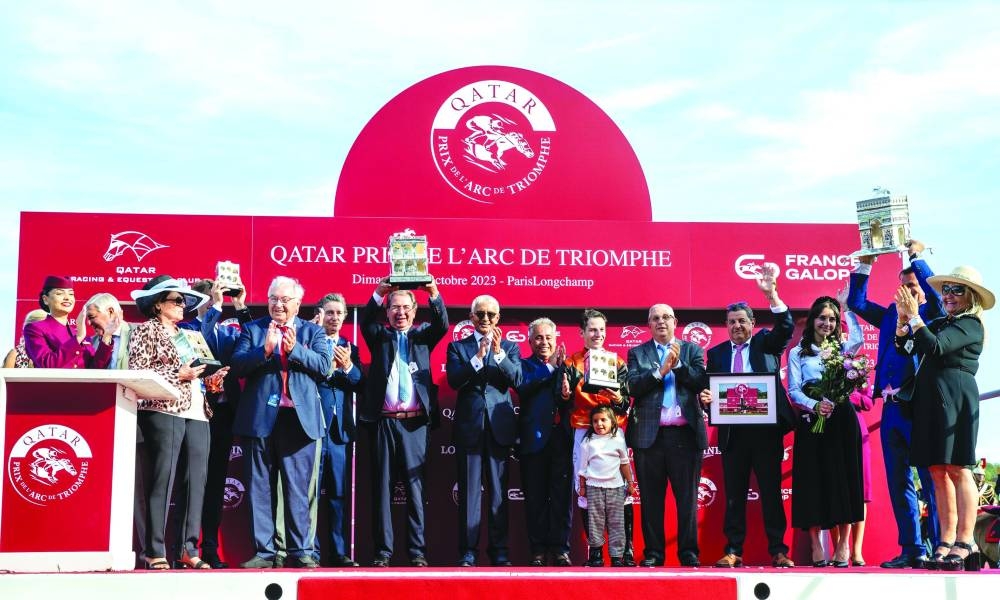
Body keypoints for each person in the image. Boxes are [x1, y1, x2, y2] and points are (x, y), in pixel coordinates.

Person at [847, 240, 941, 568]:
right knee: (898, 482)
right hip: (891, 409)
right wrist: (867, 263)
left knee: (930, 480)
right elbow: (856, 300)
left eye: (913, 287)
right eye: (903, 287)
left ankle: (939, 548)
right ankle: (912, 548)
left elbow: (939, 296)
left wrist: (916, 258)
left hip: (920, 407)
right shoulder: (889, 315)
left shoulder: (933, 312)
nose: (907, 293)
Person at [894, 265, 993, 571]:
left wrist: (915, 318)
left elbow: (936, 348)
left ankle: (966, 542)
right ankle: (945, 541)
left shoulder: (971, 325)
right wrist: (902, 324)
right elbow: (908, 346)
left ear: (971, 296)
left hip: (956, 399)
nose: (949, 295)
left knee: (958, 467)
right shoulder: (938, 322)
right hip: (929, 401)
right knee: (936, 470)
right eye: (946, 290)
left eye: (957, 290)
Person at [698, 264, 796, 568]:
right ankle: (733, 551)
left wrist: (772, 295)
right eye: (731, 322)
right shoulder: (715, 354)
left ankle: (779, 551)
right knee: (734, 496)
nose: (737, 326)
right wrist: (706, 400)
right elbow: (708, 392)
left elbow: (786, 328)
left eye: (742, 320)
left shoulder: (767, 343)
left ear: (752, 323)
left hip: (765, 431)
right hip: (733, 432)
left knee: (770, 493)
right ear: (726, 326)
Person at [231, 276, 331, 569]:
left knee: (299, 489)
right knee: (259, 488)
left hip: (299, 422)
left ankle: (302, 551)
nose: (278, 304)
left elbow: (324, 367)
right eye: (273, 298)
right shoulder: (253, 329)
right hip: (260, 419)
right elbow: (237, 365)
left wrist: (294, 350)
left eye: (285, 299)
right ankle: (264, 552)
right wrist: (264, 351)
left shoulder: (313, 332)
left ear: (297, 305)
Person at [128, 275, 226, 570]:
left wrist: (212, 381)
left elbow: (196, 374)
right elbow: (138, 373)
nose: (184, 305)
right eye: (177, 300)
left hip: (198, 411)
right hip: (162, 410)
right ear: (158, 304)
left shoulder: (190, 335)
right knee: (163, 480)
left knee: (196, 481)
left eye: (185, 301)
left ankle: (187, 547)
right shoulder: (145, 331)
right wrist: (177, 376)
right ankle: (154, 550)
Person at [360, 277, 447, 567]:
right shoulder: (380, 337)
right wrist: (379, 293)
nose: (400, 312)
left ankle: (417, 551)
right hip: (384, 422)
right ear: (387, 312)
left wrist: (433, 292)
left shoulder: (422, 336)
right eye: (394, 308)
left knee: (415, 488)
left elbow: (442, 325)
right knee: (382, 488)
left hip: (415, 424)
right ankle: (383, 552)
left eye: (405, 307)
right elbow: (365, 323)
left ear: (414, 310)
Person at [626, 304, 708, 567]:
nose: (661, 322)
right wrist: (659, 372)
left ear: (675, 322)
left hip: (685, 435)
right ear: (649, 325)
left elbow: (700, 382)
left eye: (666, 318)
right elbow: (633, 387)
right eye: (655, 318)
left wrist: (678, 365)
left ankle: (688, 553)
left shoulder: (692, 350)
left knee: (687, 501)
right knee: (650, 500)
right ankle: (653, 554)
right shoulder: (637, 353)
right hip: (650, 437)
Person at [787, 296, 864, 568]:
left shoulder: (843, 348)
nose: (827, 323)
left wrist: (850, 309)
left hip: (841, 418)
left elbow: (859, 338)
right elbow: (793, 390)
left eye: (832, 319)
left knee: (842, 480)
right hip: (812, 419)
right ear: (813, 320)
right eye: (822, 318)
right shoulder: (798, 352)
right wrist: (815, 405)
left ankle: (843, 544)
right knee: (812, 481)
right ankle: (816, 543)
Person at [446, 294, 522, 567]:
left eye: (491, 315)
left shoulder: (510, 348)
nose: (486, 319)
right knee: (469, 495)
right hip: (470, 429)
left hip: (499, 429)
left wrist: (498, 354)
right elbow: (454, 381)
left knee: (499, 495)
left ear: (498, 318)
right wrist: (477, 358)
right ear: (471, 317)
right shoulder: (458, 348)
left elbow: (517, 379)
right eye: (481, 314)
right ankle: (468, 551)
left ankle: (499, 550)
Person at [188, 279, 252, 569]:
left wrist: (238, 305)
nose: (214, 300)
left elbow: (250, 340)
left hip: (224, 414)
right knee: (191, 482)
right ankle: (184, 547)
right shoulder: (188, 328)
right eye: (207, 298)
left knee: (215, 484)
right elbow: (198, 350)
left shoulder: (228, 332)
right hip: (195, 414)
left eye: (214, 297)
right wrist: (213, 306)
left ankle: (210, 547)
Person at [563, 309, 635, 566]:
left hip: (614, 432)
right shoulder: (572, 362)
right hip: (584, 430)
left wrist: (618, 398)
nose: (598, 334)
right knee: (585, 489)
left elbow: (626, 402)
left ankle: (626, 551)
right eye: (593, 329)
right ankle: (595, 552)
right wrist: (563, 392)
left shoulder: (617, 362)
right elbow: (564, 400)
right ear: (582, 332)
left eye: (602, 330)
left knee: (621, 490)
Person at [516, 317, 573, 567]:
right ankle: (538, 549)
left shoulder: (567, 366)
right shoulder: (523, 365)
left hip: (562, 440)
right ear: (529, 341)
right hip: (533, 442)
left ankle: (561, 549)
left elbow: (572, 402)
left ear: (556, 339)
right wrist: (552, 367)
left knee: (561, 498)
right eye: (539, 337)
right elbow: (524, 387)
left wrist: (566, 390)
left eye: (549, 337)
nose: (544, 342)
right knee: (536, 499)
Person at [314, 292, 364, 567]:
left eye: (339, 313)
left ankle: (339, 551)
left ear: (345, 317)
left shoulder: (349, 347)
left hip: (339, 432)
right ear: (321, 314)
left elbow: (359, 382)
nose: (334, 318)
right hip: (311, 428)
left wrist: (347, 367)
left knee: (337, 495)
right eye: (329, 312)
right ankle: (309, 551)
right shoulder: (309, 341)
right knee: (310, 495)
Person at [577, 405, 638, 567]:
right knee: (595, 523)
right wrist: (582, 487)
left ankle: (617, 557)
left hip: (616, 488)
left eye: (603, 420)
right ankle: (596, 556)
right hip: (593, 487)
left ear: (613, 422)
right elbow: (582, 469)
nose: (600, 424)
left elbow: (625, 464)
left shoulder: (618, 441)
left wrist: (630, 483)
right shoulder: (587, 443)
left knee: (617, 523)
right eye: (595, 421)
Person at [24, 275, 112, 369]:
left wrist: (106, 337)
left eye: (71, 294)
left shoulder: (80, 334)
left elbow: (95, 369)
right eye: (59, 293)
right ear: (46, 299)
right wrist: (78, 338)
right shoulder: (35, 329)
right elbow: (47, 364)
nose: (67, 298)